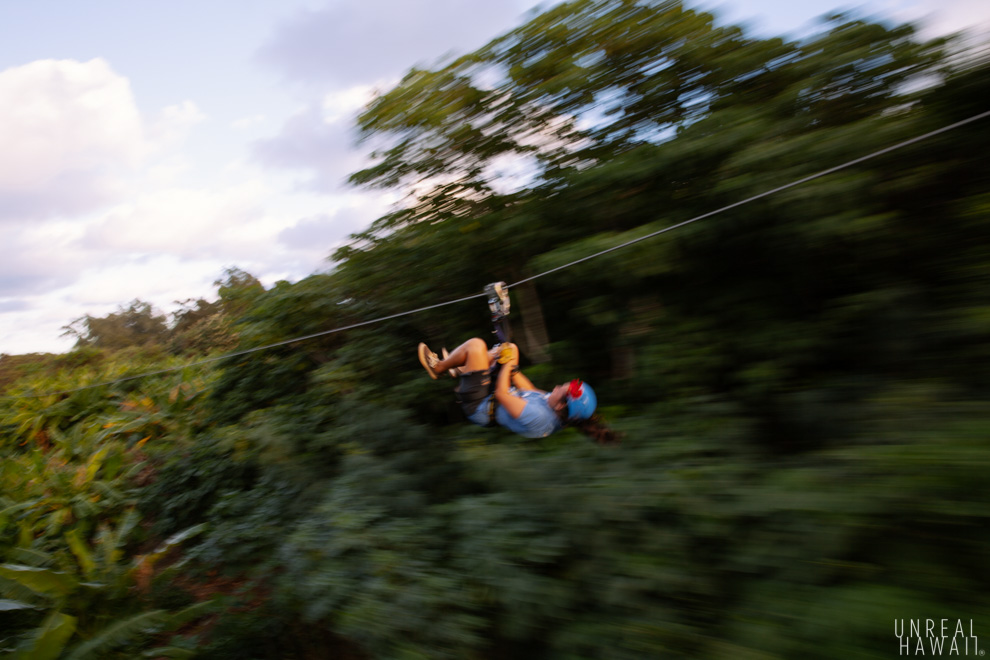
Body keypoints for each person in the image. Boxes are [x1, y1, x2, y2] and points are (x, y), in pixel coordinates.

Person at [418, 337, 617, 444]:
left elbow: (503, 394)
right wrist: (511, 360)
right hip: (492, 396)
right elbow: (529, 390)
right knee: (508, 348)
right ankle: (461, 367)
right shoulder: (555, 407)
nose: (556, 387)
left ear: (561, 405)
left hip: (479, 406)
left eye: (561, 389)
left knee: (476, 345)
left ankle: (439, 368)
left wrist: (508, 366)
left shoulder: (539, 418)